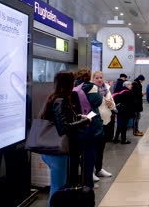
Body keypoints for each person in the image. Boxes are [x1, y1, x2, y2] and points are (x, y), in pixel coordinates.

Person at [40, 71, 91, 205]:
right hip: (57, 151)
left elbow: (61, 120)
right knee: (58, 187)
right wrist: (84, 122)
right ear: (69, 83)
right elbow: (64, 127)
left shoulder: (54, 98)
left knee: (59, 186)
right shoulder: (60, 100)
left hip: (51, 150)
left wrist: (79, 117)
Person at [72, 67, 103, 188]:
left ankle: (75, 183)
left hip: (76, 124)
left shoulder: (73, 87)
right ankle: (88, 183)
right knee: (89, 155)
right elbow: (97, 102)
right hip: (91, 124)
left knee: (76, 155)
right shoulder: (93, 87)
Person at [92, 71, 115, 178]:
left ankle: (99, 169)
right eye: (97, 78)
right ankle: (90, 171)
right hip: (95, 123)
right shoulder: (91, 90)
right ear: (92, 79)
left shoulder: (107, 90)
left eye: (101, 77)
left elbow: (113, 105)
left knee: (101, 148)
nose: (99, 79)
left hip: (106, 122)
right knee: (93, 149)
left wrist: (111, 104)